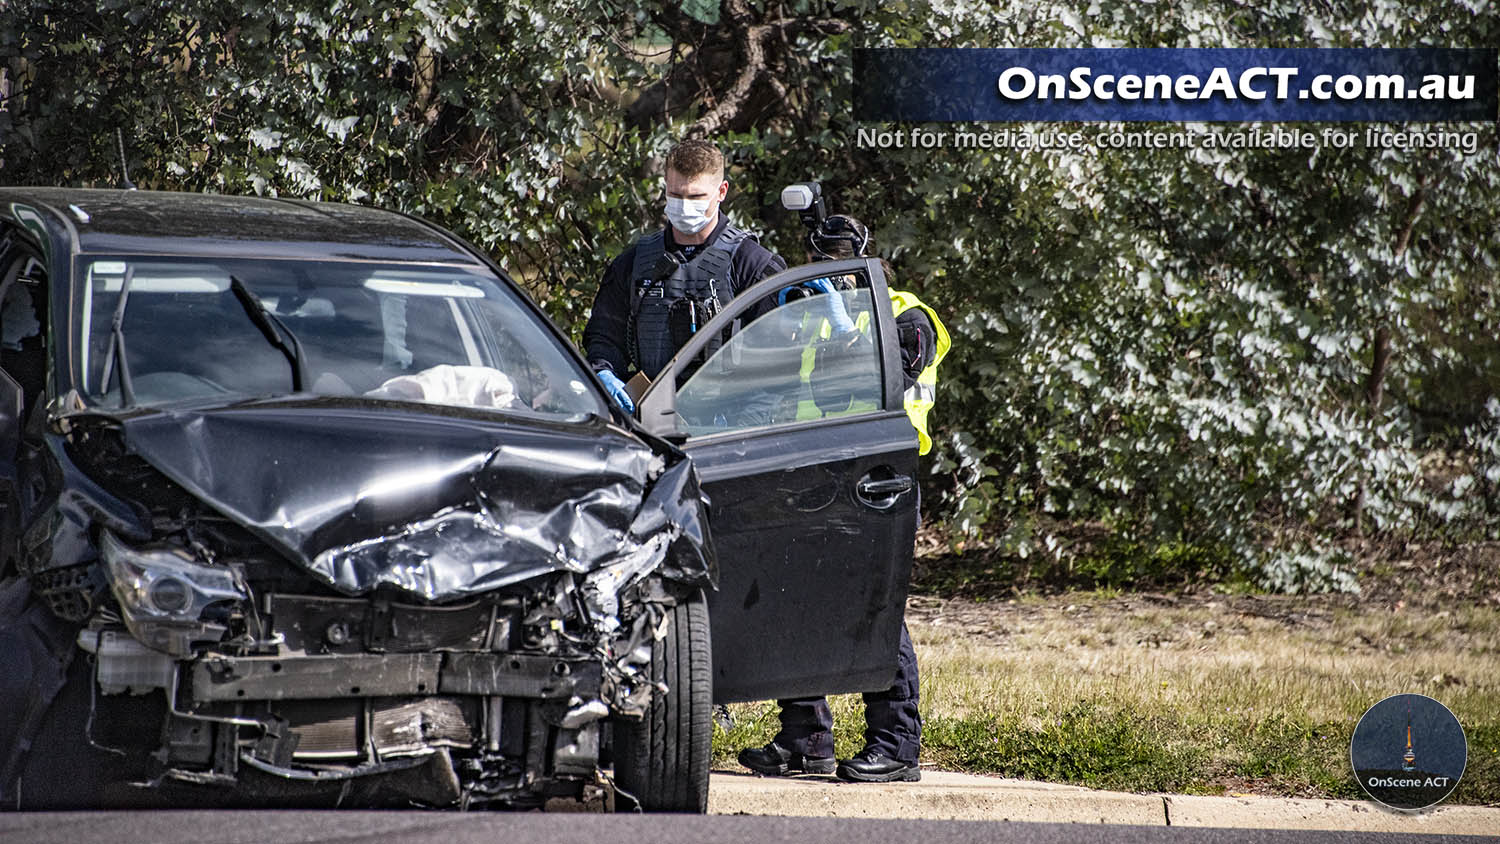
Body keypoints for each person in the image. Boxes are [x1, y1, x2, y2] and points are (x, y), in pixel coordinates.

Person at [737, 213, 949, 784]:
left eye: (843, 273)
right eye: (824, 272)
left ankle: (897, 745)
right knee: (795, 603)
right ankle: (806, 740)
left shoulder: (907, 313)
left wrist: (851, 326)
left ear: (871, 270)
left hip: (879, 481)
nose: (831, 285)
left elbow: (891, 374)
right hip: (818, 478)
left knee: (878, 615)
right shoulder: (813, 325)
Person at [583, 139, 786, 412]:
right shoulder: (632, 264)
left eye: (695, 196)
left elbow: (777, 367)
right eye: (676, 195)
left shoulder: (753, 265)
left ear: (721, 191)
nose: (684, 205)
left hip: (730, 426)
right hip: (652, 421)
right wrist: (605, 374)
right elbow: (604, 339)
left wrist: (745, 430)